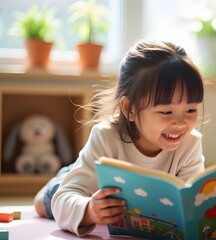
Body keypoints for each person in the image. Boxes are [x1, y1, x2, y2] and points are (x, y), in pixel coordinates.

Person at [34, 39, 206, 237]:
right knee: (43, 204)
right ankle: (59, 179)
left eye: (190, 109)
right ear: (130, 109)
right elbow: (64, 198)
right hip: (93, 188)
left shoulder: (191, 143)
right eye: (166, 112)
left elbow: (191, 202)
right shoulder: (105, 136)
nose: (180, 123)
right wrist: (89, 210)